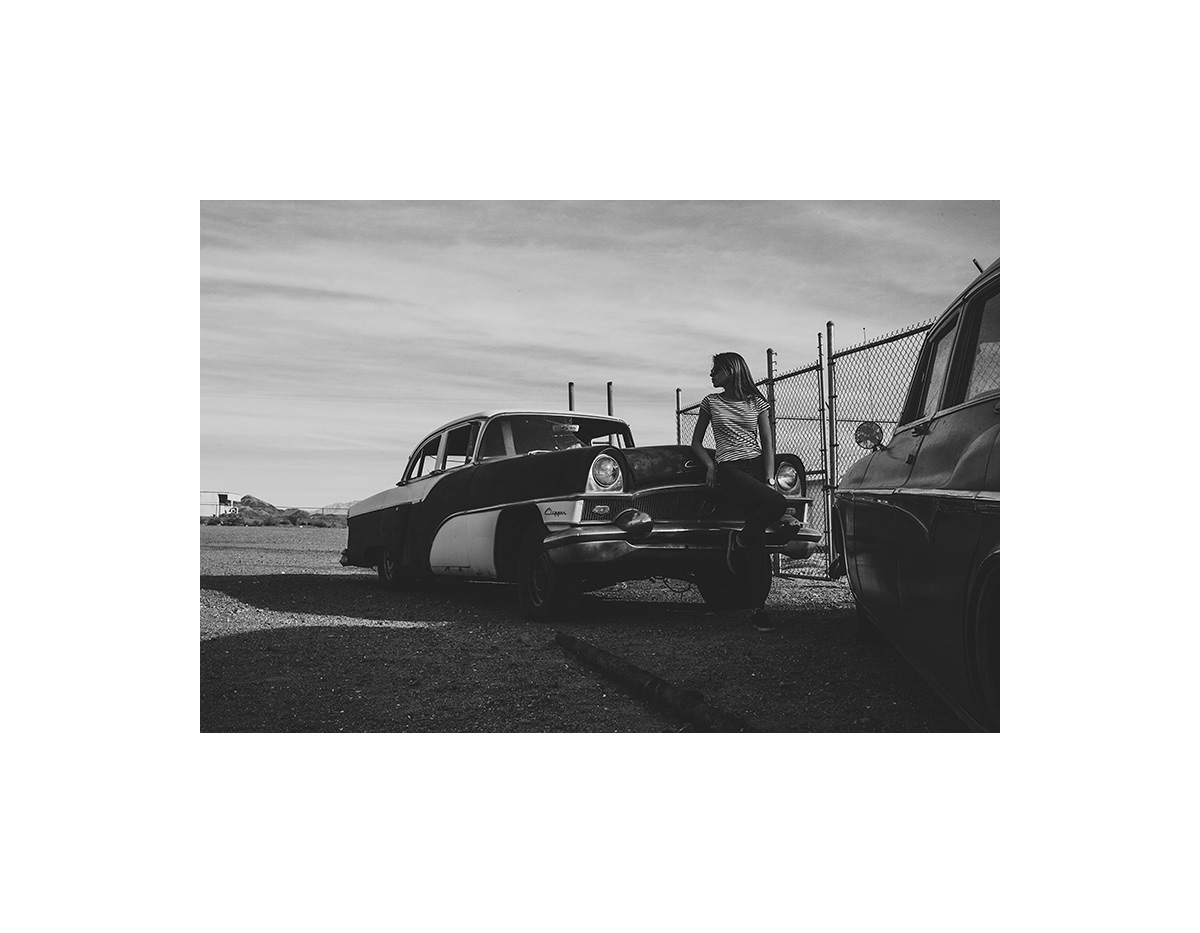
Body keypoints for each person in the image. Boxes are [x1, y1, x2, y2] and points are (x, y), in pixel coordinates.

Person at [690, 352, 788, 632]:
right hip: (729, 468)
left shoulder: (757, 402)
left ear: (731, 371)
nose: (711, 374)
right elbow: (696, 442)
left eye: (716, 370)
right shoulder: (711, 402)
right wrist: (710, 466)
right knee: (778, 505)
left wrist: (769, 479)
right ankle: (745, 538)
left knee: (757, 540)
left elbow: (768, 444)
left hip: (756, 466)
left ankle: (758, 609)